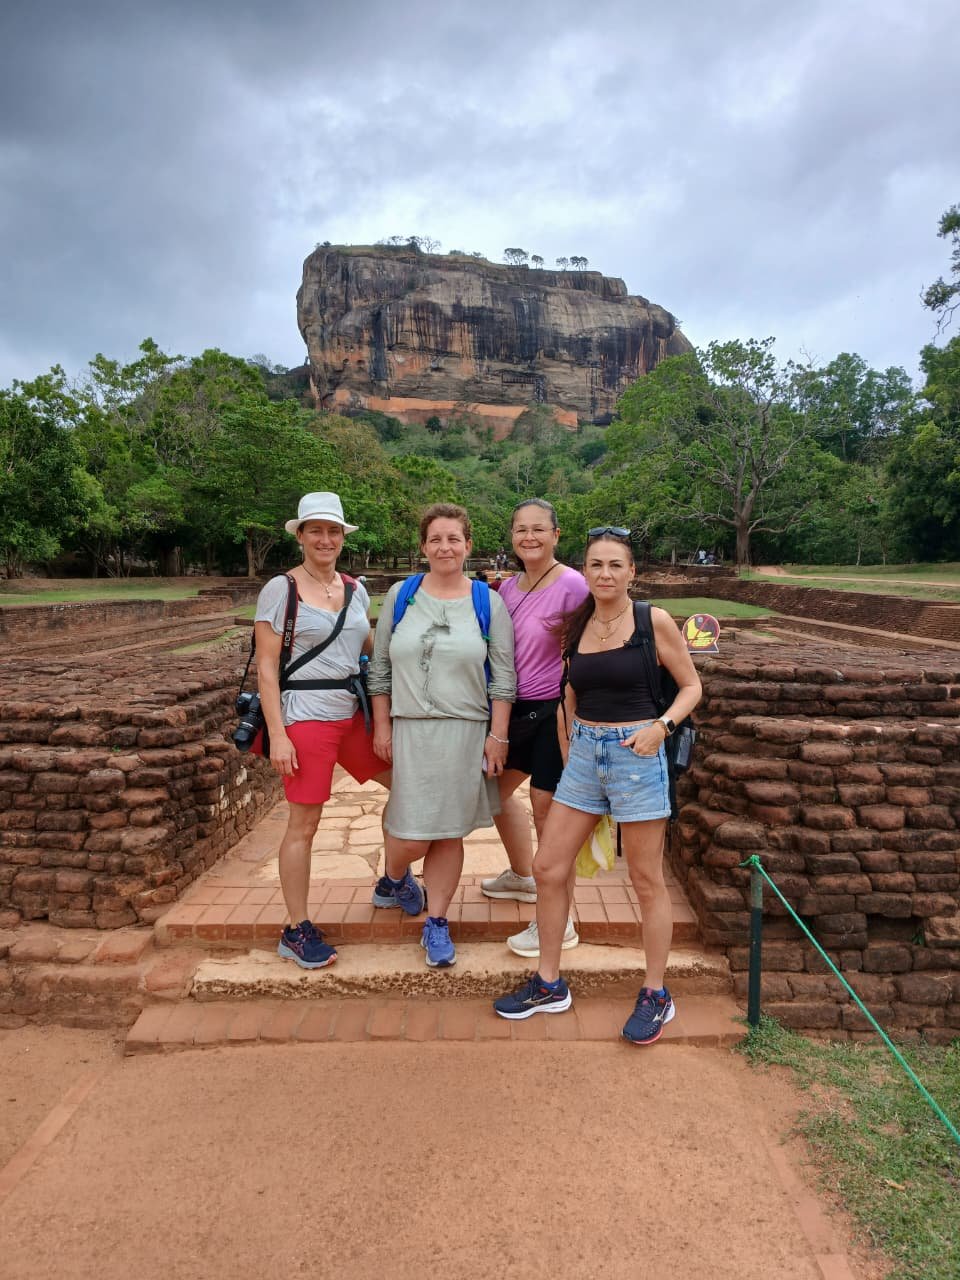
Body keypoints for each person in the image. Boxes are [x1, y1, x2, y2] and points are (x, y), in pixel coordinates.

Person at [494, 526, 702, 1044]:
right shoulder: (578, 623)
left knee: (646, 879)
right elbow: (569, 693)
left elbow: (691, 686)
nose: (605, 574)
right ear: (584, 571)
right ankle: (549, 982)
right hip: (586, 755)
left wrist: (661, 728)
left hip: (637, 752)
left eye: (615, 565)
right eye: (595, 565)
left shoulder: (651, 621)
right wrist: (571, 754)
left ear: (632, 572)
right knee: (548, 866)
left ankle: (655, 992)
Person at [368, 503, 516, 968]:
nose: (445, 547)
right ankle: (395, 876)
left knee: (449, 832)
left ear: (468, 545)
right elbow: (380, 667)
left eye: (454, 539)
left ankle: (437, 920)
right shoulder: (403, 595)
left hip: (465, 731)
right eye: (436, 539)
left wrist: (498, 736)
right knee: (410, 832)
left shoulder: (487, 602)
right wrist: (382, 724)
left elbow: (504, 676)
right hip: (411, 729)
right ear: (423, 547)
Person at [254, 492, 389, 970]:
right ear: (301, 536)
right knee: (305, 823)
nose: (325, 539)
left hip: (351, 712)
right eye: (316, 530)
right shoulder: (281, 589)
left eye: (333, 531)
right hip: (305, 715)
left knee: (407, 785)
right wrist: (278, 734)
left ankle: (394, 877)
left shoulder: (355, 590)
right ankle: (296, 927)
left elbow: (370, 652)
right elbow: (266, 668)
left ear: (342, 537)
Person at [480, 498, 589, 960]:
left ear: (556, 535)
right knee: (493, 793)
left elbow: (587, 651)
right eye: (521, 529)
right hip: (511, 708)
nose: (529, 537)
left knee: (548, 815)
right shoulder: (508, 588)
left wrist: (576, 722)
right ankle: (523, 876)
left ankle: (559, 920)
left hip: (552, 712)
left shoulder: (572, 586)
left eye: (539, 529)